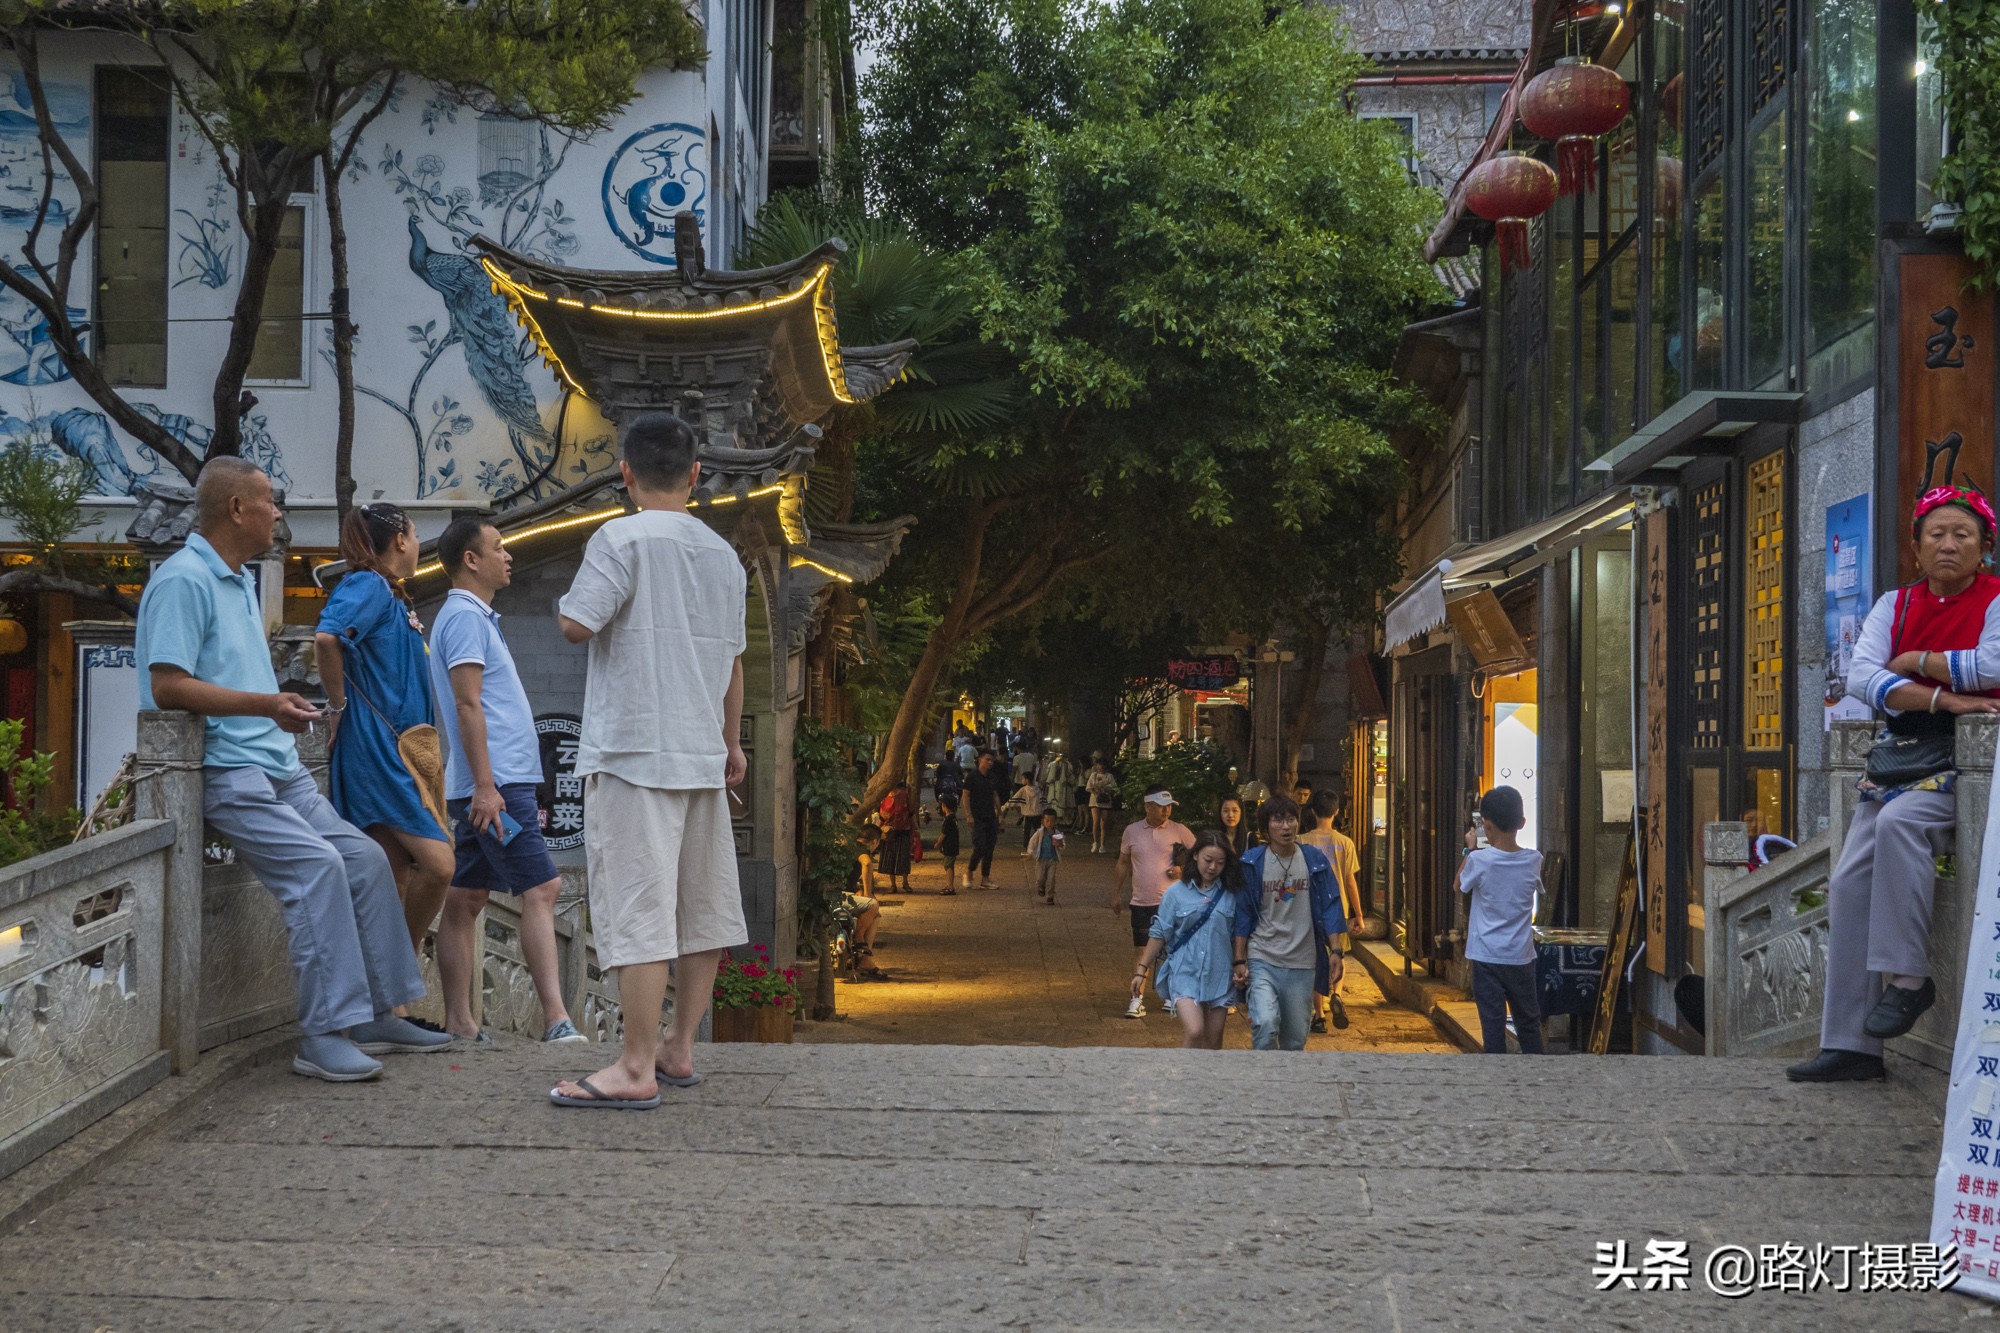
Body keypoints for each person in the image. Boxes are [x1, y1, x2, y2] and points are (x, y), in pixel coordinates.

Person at [138, 458, 449, 1082]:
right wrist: (267, 704)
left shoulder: (237, 580)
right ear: (236, 509)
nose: (279, 513)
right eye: (270, 502)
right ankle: (322, 1033)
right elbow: (167, 686)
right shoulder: (184, 580)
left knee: (361, 858)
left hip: (280, 766)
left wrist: (279, 709)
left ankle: (376, 1011)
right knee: (319, 869)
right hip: (230, 771)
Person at [550, 412, 750, 1109]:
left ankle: (634, 1066)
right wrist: (732, 743)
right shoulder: (723, 555)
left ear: (626, 473)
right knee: (703, 909)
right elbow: (733, 663)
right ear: (696, 474)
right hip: (700, 753)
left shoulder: (619, 537)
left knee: (638, 910)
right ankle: (678, 1047)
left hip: (635, 750)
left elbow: (578, 624)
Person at [1790, 485, 2000, 1083]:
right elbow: (1859, 675)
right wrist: (1950, 698)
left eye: (1963, 534)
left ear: (1985, 546)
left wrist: (1917, 663)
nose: (1949, 544)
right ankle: (1851, 1046)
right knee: (1851, 877)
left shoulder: (1996, 598)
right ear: (1916, 547)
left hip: (1976, 764)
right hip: (1903, 759)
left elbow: (1997, 663)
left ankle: (1909, 980)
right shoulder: (1895, 602)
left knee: (1903, 824)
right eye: (1936, 534)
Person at [427, 517, 585, 1046]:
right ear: (470, 560)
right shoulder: (466, 619)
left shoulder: (471, 616)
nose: (507, 556)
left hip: (483, 783)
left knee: (465, 898)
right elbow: (468, 704)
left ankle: (460, 1021)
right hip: (497, 787)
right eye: (497, 548)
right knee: (543, 887)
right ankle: (556, 1020)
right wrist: (487, 786)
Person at [313, 502, 451, 960]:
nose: (417, 546)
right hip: (379, 748)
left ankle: (389, 1004)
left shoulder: (390, 592)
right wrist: (337, 706)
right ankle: (402, 965)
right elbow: (327, 638)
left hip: (396, 747)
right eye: (414, 536)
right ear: (400, 541)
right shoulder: (368, 584)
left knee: (394, 875)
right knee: (438, 865)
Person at [1230, 794, 1347, 1051]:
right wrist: (1239, 960)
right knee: (1265, 1023)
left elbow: (1330, 906)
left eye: (1291, 819)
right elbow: (1243, 914)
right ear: (1266, 827)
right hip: (1262, 958)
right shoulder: (1252, 863)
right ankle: (1267, 1083)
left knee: (1295, 1040)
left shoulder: (1314, 860)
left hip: (1303, 962)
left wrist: (1336, 950)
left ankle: (1286, 1088)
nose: (1286, 827)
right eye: (1278, 820)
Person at [1134, 830, 1243, 1049]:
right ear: (1195, 856)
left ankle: (1206, 1082)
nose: (1212, 867)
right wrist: (1141, 969)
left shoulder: (1233, 894)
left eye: (1220, 862)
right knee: (1195, 1031)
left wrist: (1242, 964)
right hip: (1185, 971)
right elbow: (1159, 933)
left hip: (1220, 975)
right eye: (1208, 860)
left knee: (1214, 1041)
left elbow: (1239, 936)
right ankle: (1184, 1079)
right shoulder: (1176, 893)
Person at [1457, 785, 1544, 1055]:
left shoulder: (1479, 860)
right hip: (1520, 956)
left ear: (1486, 825)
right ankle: (1540, 1076)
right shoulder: (1534, 859)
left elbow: (1458, 885)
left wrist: (1469, 849)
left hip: (1486, 956)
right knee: (1528, 1022)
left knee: (1492, 1027)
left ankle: (1498, 1081)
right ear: (1522, 822)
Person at [1112, 788, 1195, 1018]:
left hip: (1172, 902)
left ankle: (1171, 994)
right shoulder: (1132, 831)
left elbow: (1202, 857)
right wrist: (1116, 893)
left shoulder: (1179, 830)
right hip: (1141, 901)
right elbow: (1122, 862)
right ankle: (1136, 999)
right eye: (1160, 805)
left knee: (1172, 949)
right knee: (1141, 950)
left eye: (1169, 806)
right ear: (1147, 806)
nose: (1166, 810)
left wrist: (1184, 871)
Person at [1301, 789, 1364, 1032]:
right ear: (1337, 812)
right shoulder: (1345, 843)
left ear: (1313, 811)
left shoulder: (1302, 842)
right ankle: (1337, 993)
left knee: (1316, 961)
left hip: (1310, 908)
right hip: (1338, 909)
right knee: (1339, 954)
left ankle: (1319, 1015)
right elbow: (1350, 881)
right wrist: (1358, 914)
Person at [846, 826, 887, 980]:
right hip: (840, 896)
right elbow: (867, 863)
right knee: (873, 906)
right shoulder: (863, 851)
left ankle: (866, 960)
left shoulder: (851, 845)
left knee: (875, 916)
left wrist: (858, 888)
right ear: (874, 841)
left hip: (848, 892)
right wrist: (869, 894)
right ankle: (859, 938)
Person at [963, 750, 1005, 890]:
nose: (990, 762)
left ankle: (985, 879)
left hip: (990, 817)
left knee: (989, 849)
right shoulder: (972, 776)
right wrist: (968, 815)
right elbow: (966, 796)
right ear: (980, 760)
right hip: (977, 817)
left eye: (992, 760)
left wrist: (1000, 814)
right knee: (980, 846)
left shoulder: (992, 777)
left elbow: (995, 796)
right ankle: (969, 872)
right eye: (987, 759)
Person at [878, 781, 916, 892]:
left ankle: (904, 883)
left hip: (903, 830)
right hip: (889, 832)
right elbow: (881, 817)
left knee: (903, 857)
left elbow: (911, 813)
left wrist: (915, 829)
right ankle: (893, 884)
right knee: (890, 858)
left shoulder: (904, 795)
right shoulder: (885, 796)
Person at [1024, 808, 1064, 904]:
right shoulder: (1039, 832)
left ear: (1055, 822)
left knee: (1051, 878)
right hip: (1041, 859)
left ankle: (1050, 896)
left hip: (1052, 860)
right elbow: (1032, 842)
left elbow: (1062, 845)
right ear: (1043, 821)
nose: (1050, 823)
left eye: (1052, 821)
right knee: (1040, 877)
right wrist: (1030, 852)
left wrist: (1060, 845)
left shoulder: (1057, 833)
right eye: (1047, 821)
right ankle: (1040, 886)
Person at [1085, 758, 1117, 853]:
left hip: (1105, 801)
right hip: (1095, 801)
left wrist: (1106, 789)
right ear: (1097, 765)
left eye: (1103, 765)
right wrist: (1095, 792)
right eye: (1099, 764)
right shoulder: (1093, 775)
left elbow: (1114, 787)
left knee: (1103, 823)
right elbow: (1088, 787)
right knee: (1095, 822)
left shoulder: (1109, 776)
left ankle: (1102, 844)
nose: (1101, 767)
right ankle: (1095, 842)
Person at [1043, 748, 1077, 831]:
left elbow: (1048, 777)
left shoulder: (1054, 764)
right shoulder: (1066, 764)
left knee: (1058, 804)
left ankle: (1058, 822)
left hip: (1059, 788)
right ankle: (1058, 822)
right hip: (1060, 787)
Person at [936, 796, 962, 895]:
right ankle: (949, 885)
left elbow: (944, 834)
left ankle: (950, 887)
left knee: (948, 866)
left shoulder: (948, 820)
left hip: (949, 846)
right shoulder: (953, 818)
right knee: (950, 866)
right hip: (953, 846)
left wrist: (938, 843)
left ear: (944, 806)